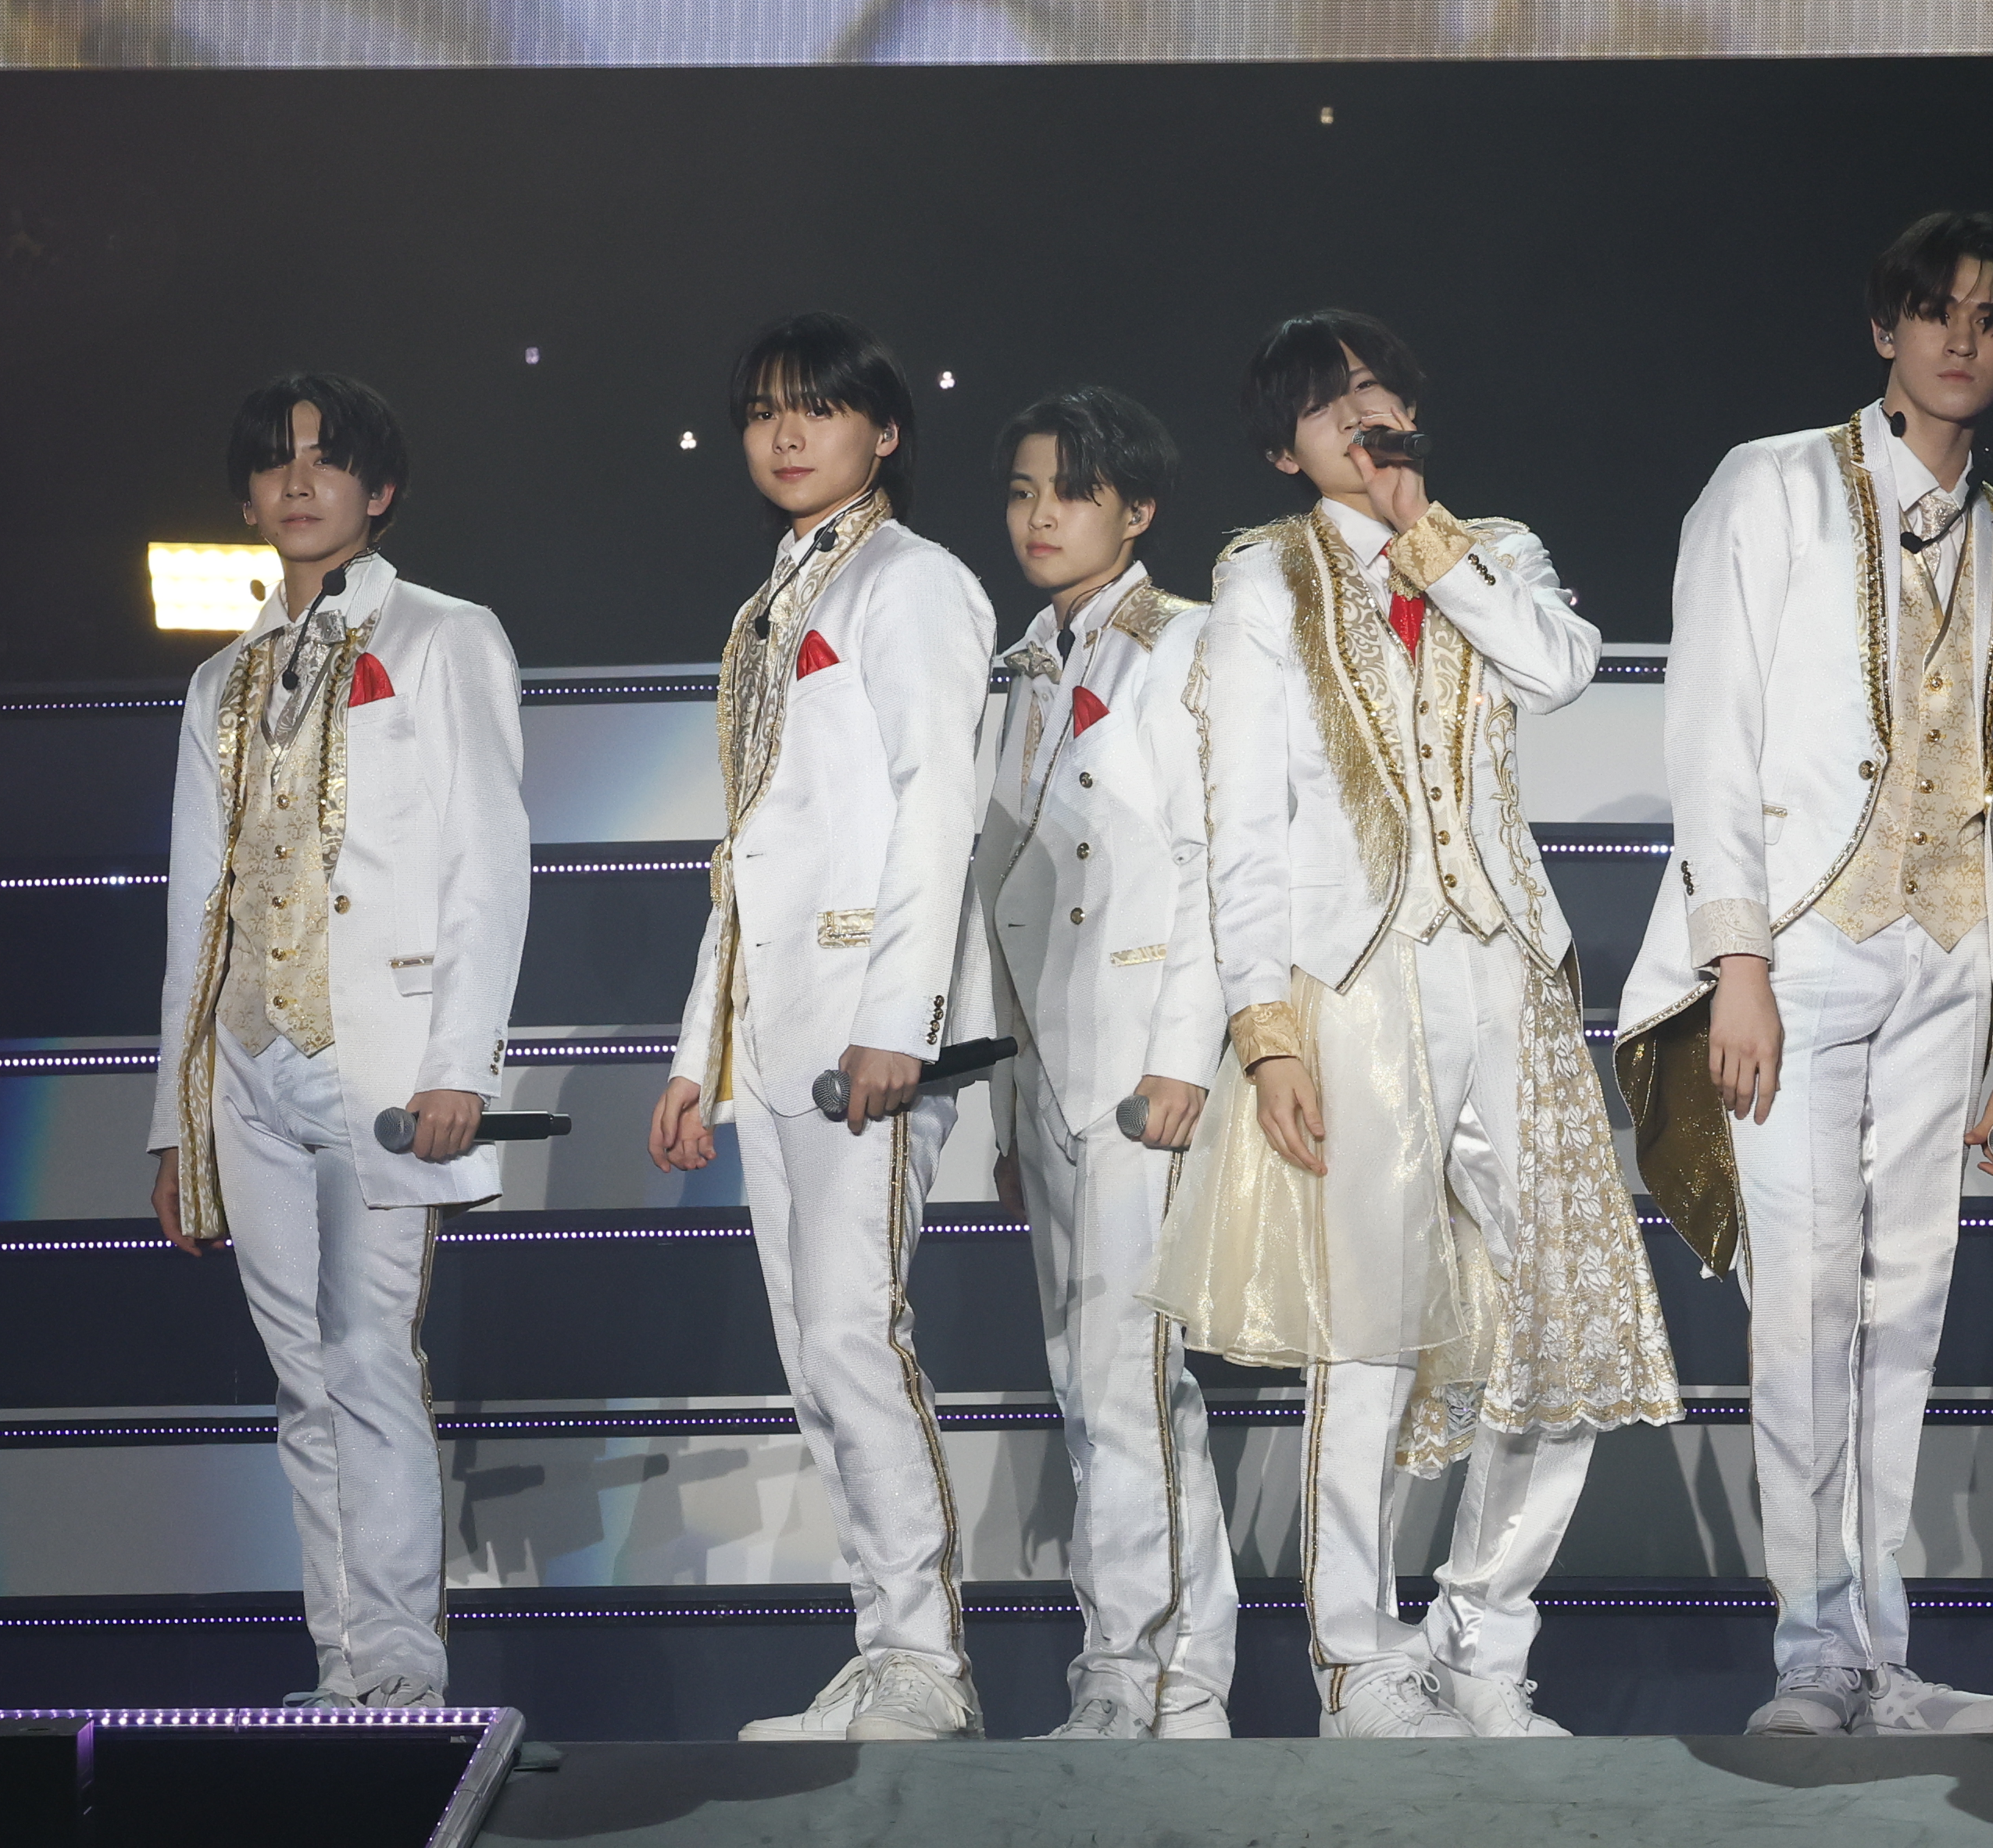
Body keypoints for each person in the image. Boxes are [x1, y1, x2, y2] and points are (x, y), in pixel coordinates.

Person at [1146, 309, 1679, 1740]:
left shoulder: (1492, 546)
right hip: (1357, 978)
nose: (1360, 417)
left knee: (1564, 1311)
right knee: (1368, 1328)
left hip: (1507, 969)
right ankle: (1357, 1661)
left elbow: (1559, 669)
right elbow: (1244, 818)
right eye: (1328, 405)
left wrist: (1425, 534)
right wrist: (1265, 1030)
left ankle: (1483, 1643)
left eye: (1376, 393)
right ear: (1284, 448)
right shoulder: (1262, 575)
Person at [1614, 212, 1993, 1736]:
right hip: (1801, 945)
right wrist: (1735, 957)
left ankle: (1881, 1654)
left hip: (1947, 965)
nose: (1960, 338)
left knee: (1906, 1306)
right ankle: (1813, 1656)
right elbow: (1712, 730)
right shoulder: (1772, 484)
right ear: (1886, 329)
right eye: (1934, 310)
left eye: (1988, 319)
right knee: (1804, 1303)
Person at [147, 372, 529, 1710]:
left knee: (368, 1357)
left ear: (381, 488)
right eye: (276, 462)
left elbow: (490, 859)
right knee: (302, 1380)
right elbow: (192, 908)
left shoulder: (442, 635)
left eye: (326, 459)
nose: (299, 481)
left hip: (378, 1053)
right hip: (246, 1069)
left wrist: (460, 1064)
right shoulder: (220, 680)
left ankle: (404, 1667)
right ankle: (342, 1663)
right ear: (247, 496)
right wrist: (175, 1118)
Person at [647, 312, 998, 1742]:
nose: (786, 435)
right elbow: (750, 849)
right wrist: (699, 1055)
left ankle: (930, 1662)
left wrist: (900, 1018)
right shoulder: (774, 601)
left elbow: (938, 803)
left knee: (858, 1337)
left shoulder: (913, 582)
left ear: (884, 431)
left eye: (818, 409)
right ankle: (881, 1647)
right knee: (814, 1356)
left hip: (871, 1028)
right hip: (779, 1028)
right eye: (762, 413)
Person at [978, 385, 1238, 1739]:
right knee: (1096, 1384)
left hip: (1146, 1067)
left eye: (1070, 492)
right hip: (1051, 1074)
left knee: (1130, 1378)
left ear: (1136, 511)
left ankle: (1131, 1671)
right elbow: (1002, 902)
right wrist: (1006, 1109)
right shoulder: (1017, 665)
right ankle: (1178, 1685)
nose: (1040, 516)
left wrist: (1185, 1057)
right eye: (1023, 491)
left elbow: (1213, 860)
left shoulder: (1188, 643)